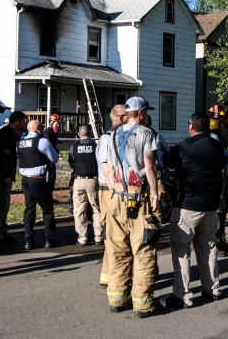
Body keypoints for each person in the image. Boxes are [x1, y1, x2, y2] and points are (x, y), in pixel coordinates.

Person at [102, 96, 160, 318]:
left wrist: (115, 192)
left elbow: (107, 168)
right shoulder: (146, 133)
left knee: (117, 249)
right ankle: (142, 304)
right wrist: (154, 194)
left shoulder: (113, 134)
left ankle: (117, 299)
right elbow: (149, 166)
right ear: (142, 112)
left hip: (116, 195)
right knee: (143, 249)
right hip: (139, 196)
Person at [161, 112, 226, 309]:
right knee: (208, 247)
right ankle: (212, 289)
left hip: (188, 204)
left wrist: (165, 150)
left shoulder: (184, 146)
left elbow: (166, 161)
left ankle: (183, 295)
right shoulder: (218, 147)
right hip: (211, 204)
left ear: (191, 127)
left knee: (181, 248)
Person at [97, 105, 127, 288]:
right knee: (113, 233)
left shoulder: (116, 137)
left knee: (116, 233)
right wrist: (116, 191)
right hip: (110, 190)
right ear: (121, 117)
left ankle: (109, 273)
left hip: (114, 189)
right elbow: (106, 169)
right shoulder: (108, 138)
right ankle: (109, 274)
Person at [19, 120, 60, 250]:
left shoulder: (20, 142)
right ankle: (49, 239)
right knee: (47, 209)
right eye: (41, 127)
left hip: (25, 179)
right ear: (36, 128)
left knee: (29, 210)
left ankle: (28, 241)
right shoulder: (42, 141)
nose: (43, 128)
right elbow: (54, 158)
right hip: (38, 179)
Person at [0, 111, 27, 248]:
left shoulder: (9, 133)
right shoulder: (6, 133)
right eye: (23, 122)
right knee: (2, 204)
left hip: (5, 174)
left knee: (5, 205)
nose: (23, 125)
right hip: (2, 175)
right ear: (17, 121)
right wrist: (5, 175)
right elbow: (3, 155)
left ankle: (4, 231)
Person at [207, 103, 228, 255]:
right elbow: (223, 158)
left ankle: (220, 240)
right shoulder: (215, 139)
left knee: (219, 211)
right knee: (218, 211)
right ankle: (216, 242)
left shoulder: (208, 136)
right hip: (215, 181)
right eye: (224, 122)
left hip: (211, 180)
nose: (225, 125)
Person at [69, 124, 102, 246]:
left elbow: (71, 163)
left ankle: (82, 238)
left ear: (79, 134)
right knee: (96, 208)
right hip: (93, 180)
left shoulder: (74, 147)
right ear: (90, 134)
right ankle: (98, 237)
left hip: (78, 180)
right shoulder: (96, 146)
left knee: (79, 210)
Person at [43, 114, 61, 203]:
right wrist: (56, 153)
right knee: (49, 177)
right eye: (57, 123)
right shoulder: (48, 132)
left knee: (52, 177)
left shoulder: (54, 132)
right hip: (47, 158)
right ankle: (46, 198)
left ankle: (49, 197)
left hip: (52, 157)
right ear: (52, 122)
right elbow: (48, 146)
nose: (58, 125)